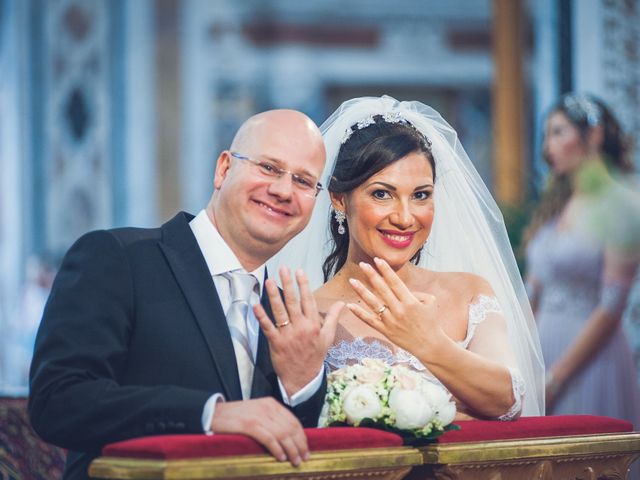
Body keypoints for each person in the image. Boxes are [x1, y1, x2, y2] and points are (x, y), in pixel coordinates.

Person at [28, 109, 344, 480]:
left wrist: (303, 384)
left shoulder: (286, 313)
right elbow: (58, 401)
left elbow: (296, 451)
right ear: (224, 169)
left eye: (304, 181)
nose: (283, 190)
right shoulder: (118, 258)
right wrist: (211, 413)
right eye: (269, 168)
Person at [269, 96, 545, 419]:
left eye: (420, 196)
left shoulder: (469, 292)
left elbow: (509, 401)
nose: (404, 217)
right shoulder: (310, 315)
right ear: (340, 199)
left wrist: (428, 343)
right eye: (382, 194)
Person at [524, 93, 640, 423]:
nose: (549, 147)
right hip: (542, 349)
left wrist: (556, 377)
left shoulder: (619, 206)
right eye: (546, 135)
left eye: (559, 132)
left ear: (594, 135)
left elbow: (612, 305)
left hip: (590, 359)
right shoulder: (555, 207)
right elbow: (532, 291)